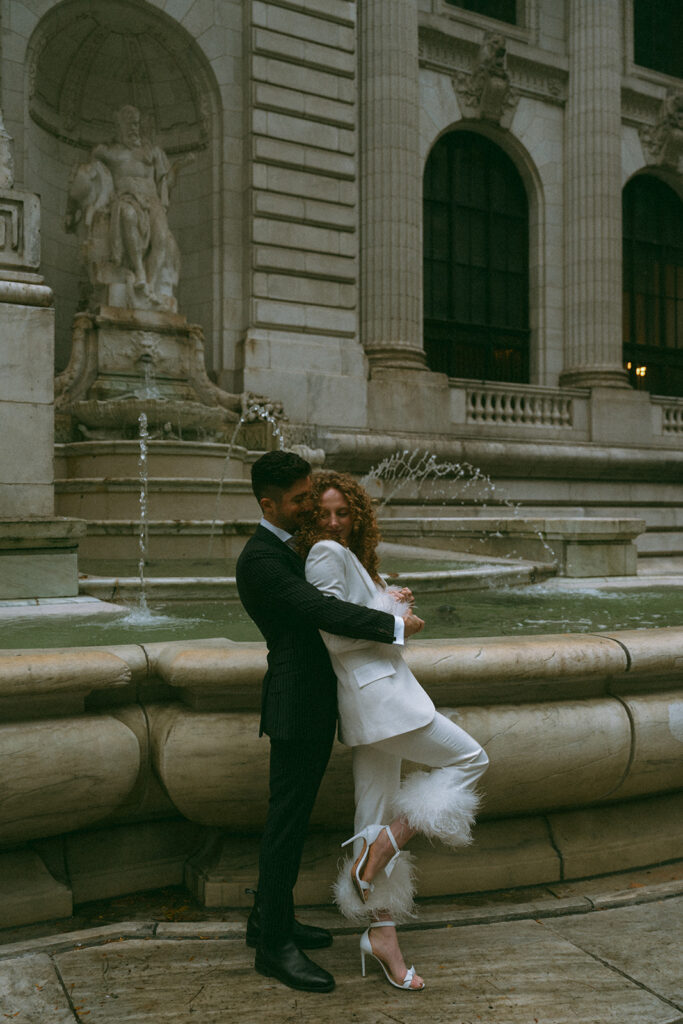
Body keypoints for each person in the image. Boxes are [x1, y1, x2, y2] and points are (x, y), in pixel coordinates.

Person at [235, 451, 425, 994]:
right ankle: (273, 948)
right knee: (285, 826)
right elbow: (320, 610)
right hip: (297, 704)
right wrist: (395, 624)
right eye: (299, 500)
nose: (309, 507)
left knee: (289, 821)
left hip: (314, 700)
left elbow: (338, 597)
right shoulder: (261, 560)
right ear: (268, 503)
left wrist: (383, 596)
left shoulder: (286, 546)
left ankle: (268, 921)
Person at [299, 470, 489, 991]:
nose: (334, 523)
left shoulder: (352, 558)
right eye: (324, 514)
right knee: (471, 760)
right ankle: (388, 842)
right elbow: (335, 634)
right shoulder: (325, 554)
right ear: (312, 518)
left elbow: (355, 615)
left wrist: (389, 601)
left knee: (372, 809)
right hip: (379, 698)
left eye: (343, 513)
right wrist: (399, 623)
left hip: (371, 700)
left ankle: (383, 936)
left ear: (357, 514)